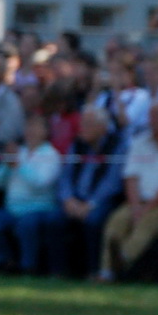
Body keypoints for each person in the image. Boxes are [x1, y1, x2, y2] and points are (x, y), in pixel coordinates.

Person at [99, 100, 158, 281]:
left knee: (146, 225)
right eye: (150, 116)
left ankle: (122, 260)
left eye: (157, 116)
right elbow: (131, 176)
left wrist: (146, 208)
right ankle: (106, 271)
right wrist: (136, 207)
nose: (152, 120)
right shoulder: (139, 142)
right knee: (116, 221)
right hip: (136, 201)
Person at [0, 114, 64, 273]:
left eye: (35, 126)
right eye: (28, 126)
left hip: (40, 209)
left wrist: (19, 165)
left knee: (27, 224)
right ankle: (5, 263)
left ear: (45, 131)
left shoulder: (51, 155)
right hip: (12, 210)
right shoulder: (19, 152)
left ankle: (28, 267)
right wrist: (7, 165)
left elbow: (41, 182)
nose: (30, 130)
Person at [57, 106, 126, 278]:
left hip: (102, 201)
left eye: (88, 124)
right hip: (75, 200)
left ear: (103, 127)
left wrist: (90, 204)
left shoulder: (117, 145)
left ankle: (94, 270)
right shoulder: (77, 144)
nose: (83, 128)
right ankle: (59, 271)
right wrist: (68, 199)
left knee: (93, 221)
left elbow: (112, 182)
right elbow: (65, 176)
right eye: (82, 124)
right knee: (54, 219)